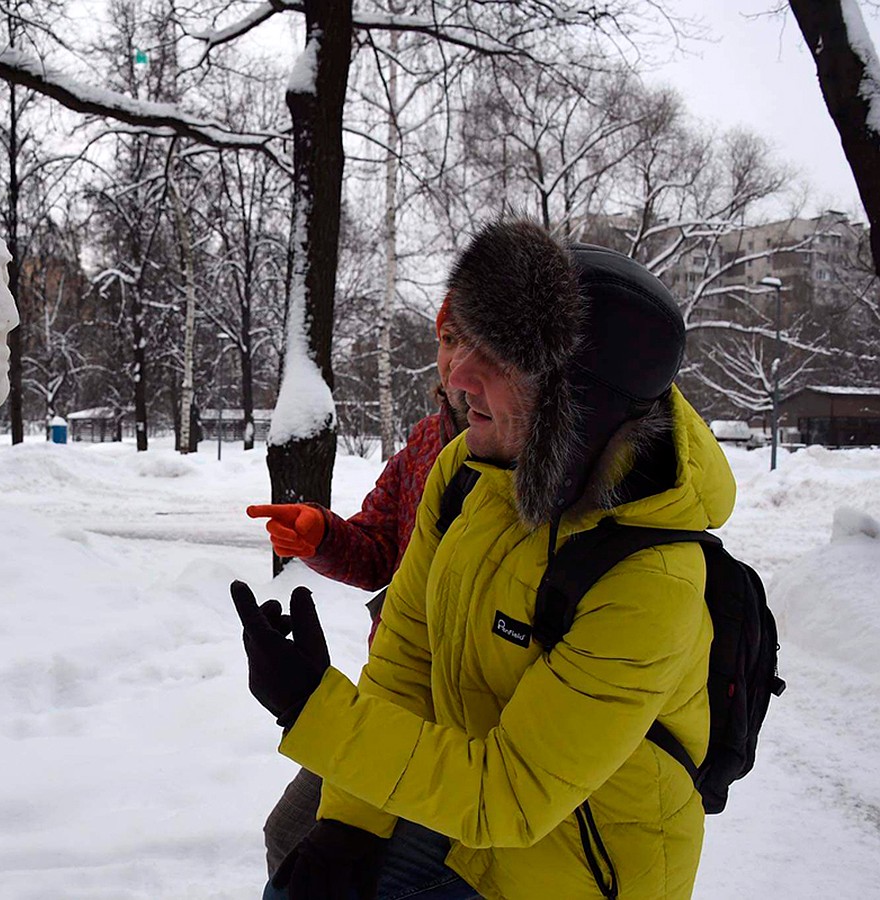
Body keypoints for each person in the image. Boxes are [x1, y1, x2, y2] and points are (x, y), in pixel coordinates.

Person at [231, 219, 736, 900]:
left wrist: (311, 708)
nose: (459, 377)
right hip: (464, 787)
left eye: (499, 360)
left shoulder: (652, 578)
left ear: (576, 407)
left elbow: (513, 796)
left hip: (570, 859)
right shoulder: (465, 470)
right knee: (297, 867)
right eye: (461, 342)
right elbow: (410, 655)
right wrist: (351, 826)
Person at [247, 299, 469, 876]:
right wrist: (322, 534)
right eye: (448, 340)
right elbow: (376, 551)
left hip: (469, 725)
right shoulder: (424, 445)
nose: (456, 361)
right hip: (390, 698)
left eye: (475, 342)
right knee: (290, 836)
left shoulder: (535, 455)